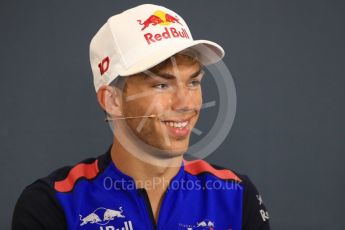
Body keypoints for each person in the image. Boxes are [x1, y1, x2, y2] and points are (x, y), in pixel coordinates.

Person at [12, 4, 270, 230]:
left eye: (193, 82)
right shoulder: (52, 203)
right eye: (161, 85)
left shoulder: (236, 194)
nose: (186, 104)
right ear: (112, 100)